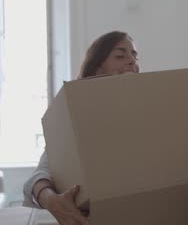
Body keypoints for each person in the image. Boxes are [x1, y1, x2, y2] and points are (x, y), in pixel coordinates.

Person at [23, 30, 139, 225]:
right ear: (97, 68)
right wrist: (51, 200)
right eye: (120, 55)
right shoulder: (74, 116)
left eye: (135, 56)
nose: (131, 61)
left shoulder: (149, 112)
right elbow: (39, 176)